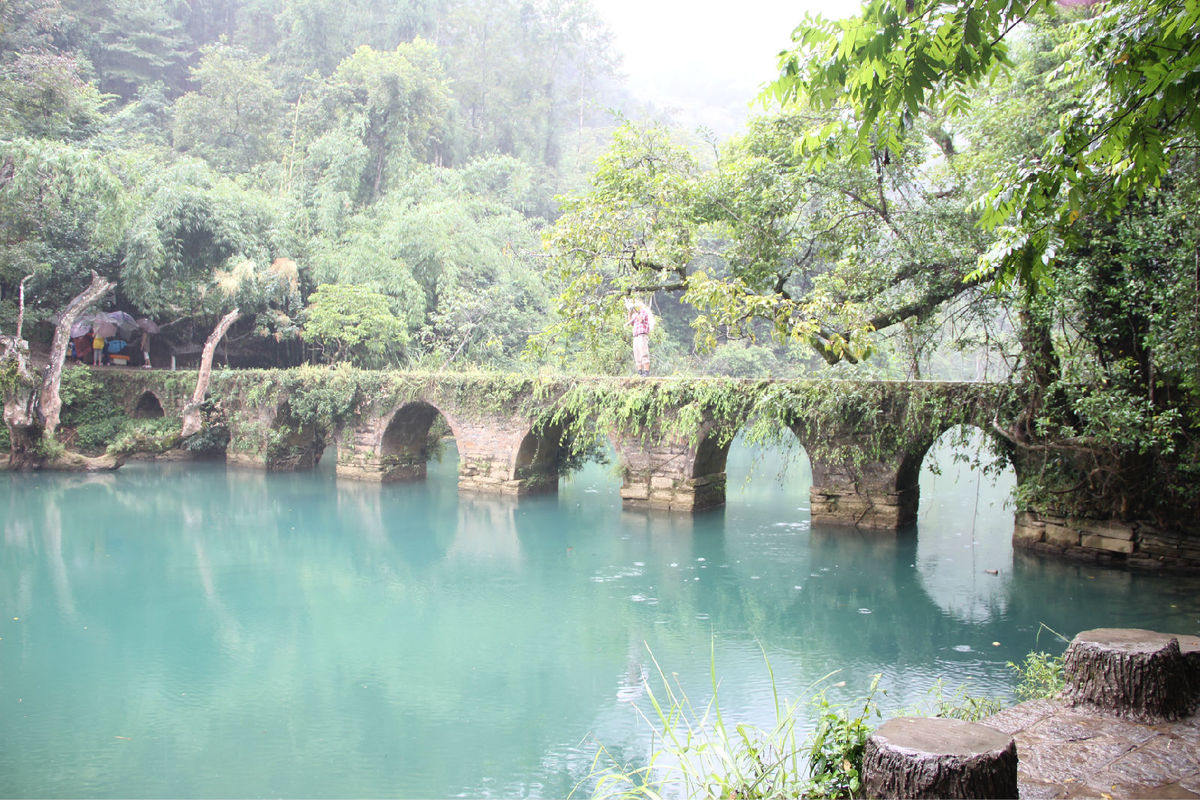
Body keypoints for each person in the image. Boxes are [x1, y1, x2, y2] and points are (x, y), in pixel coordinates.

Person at [624, 297, 654, 376]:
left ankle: (646, 372)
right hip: (636, 335)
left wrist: (635, 311)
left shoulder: (643, 312)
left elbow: (641, 319)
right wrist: (630, 312)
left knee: (643, 352)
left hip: (642, 335)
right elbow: (631, 323)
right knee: (636, 353)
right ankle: (639, 371)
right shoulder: (635, 315)